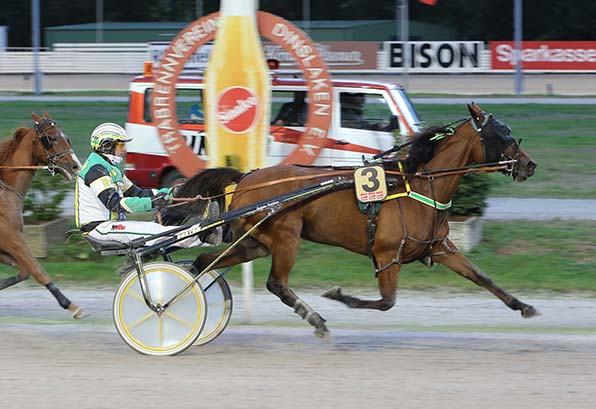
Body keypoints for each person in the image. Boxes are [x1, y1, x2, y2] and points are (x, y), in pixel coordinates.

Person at [75, 122, 221, 250]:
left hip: (111, 225)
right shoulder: (96, 170)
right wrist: (153, 203)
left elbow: (137, 193)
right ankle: (203, 234)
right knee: (156, 231)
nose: (125, 149)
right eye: (121, 145)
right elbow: (115, 204)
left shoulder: (109, 168)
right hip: (99, 228)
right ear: (107, 146)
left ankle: (204, 233)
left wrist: (171, 193)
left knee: (158, 230)